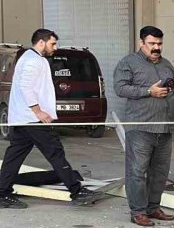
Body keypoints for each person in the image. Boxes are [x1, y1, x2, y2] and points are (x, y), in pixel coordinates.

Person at [0, 29, 101, 209]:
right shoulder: (32, 60)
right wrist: (38, 111)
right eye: (52, 44)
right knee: (55, 152)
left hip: (23, 119)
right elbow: (25, 87)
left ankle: (2, 193)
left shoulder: (30, 58)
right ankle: (76, 191)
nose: (55, 48)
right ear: (41, 42)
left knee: (14, 156)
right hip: (32, 120)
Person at [113, 26, 174, 227]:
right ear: (141, 43)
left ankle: (153, 207)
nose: (156, 48)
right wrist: (148, 91)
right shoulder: (128, 63)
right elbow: (119, 88)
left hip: (165, 130)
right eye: (152, 44)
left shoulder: (167, 66)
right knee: (137, 171)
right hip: (141, 128)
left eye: (159, 44)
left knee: (159, 173)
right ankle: (138, 212)